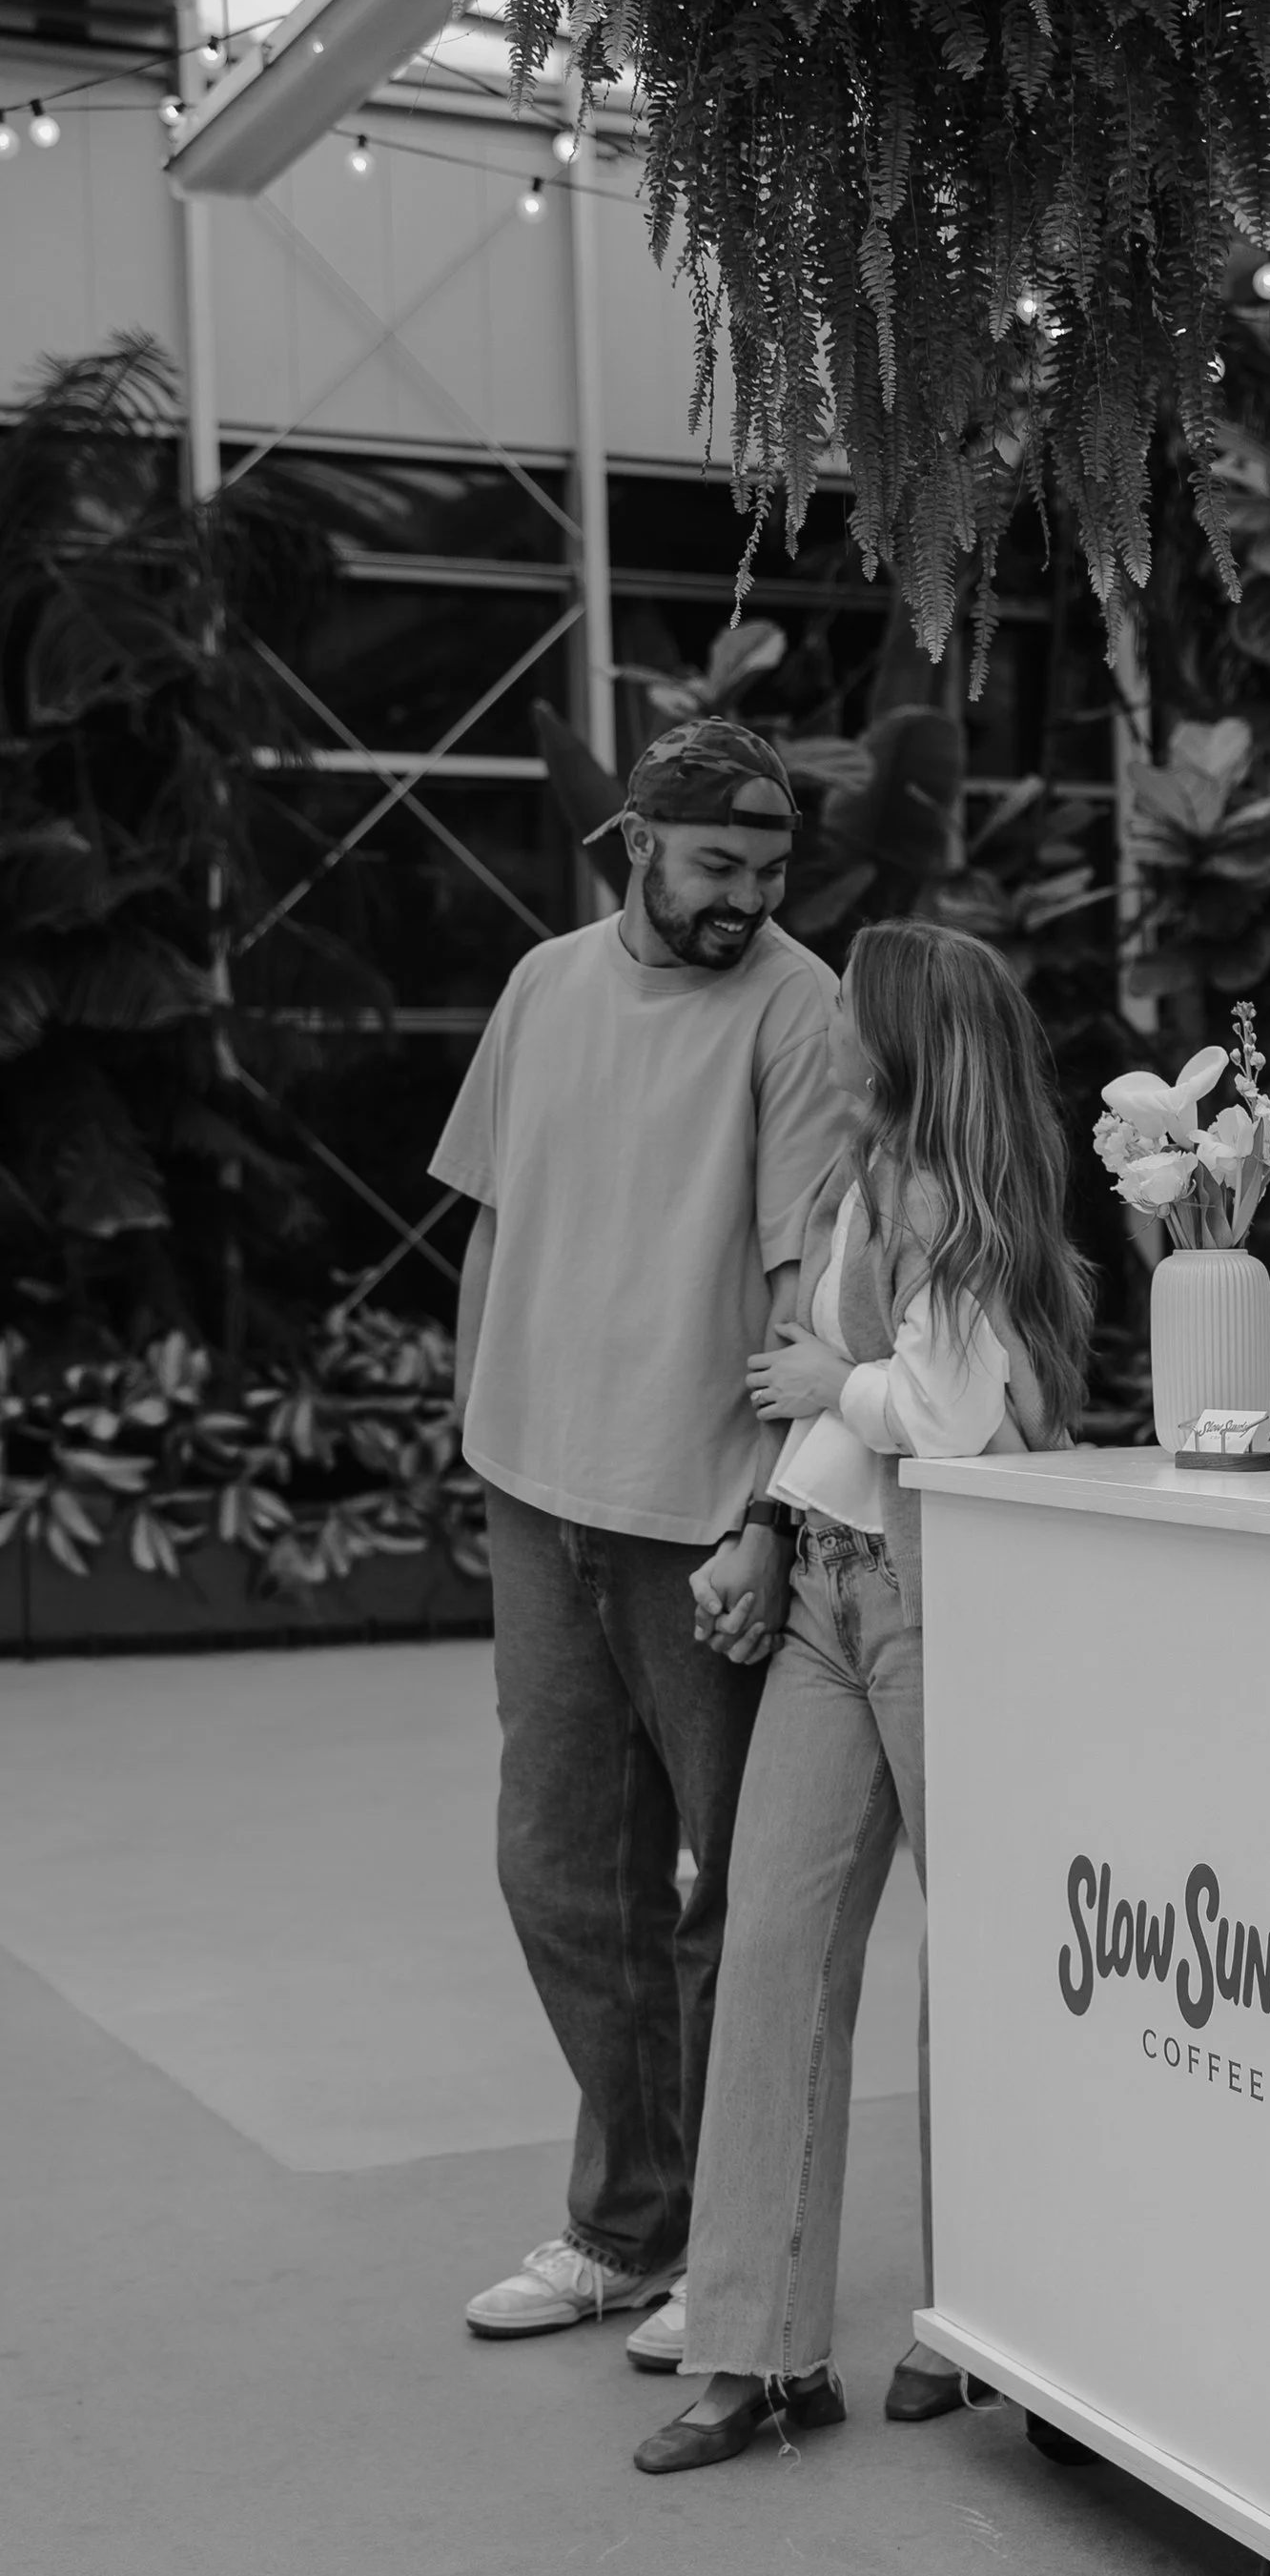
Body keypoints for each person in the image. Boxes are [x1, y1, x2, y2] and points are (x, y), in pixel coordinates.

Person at [631, 919, 1093, 2471]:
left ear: (902, 1035)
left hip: (943, 1586)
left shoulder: (951, 1198)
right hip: (840, 1573)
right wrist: (768, 1516)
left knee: (976, 1954)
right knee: (771, 1937)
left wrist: (832, 1390)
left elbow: (946, 1416)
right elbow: (860, 1404)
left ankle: (987, 2316)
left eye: (852, 1009)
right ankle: (757, 2346)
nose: (828, 1026)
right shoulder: (863, 1179)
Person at [434, 720, 846, 2345]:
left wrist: (766, 1517)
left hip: (699, 1516)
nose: (746, 899)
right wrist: (478, 1431)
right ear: (636, 846)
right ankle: (628, 2227)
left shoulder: (797, 1009)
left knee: (733, 1892)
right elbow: (489, 1217)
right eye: (718, 868)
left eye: (770, 872)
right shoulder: (543, 988)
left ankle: (729, 2260)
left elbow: (796, 1287)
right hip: (537, 1494)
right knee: (556, 1868)